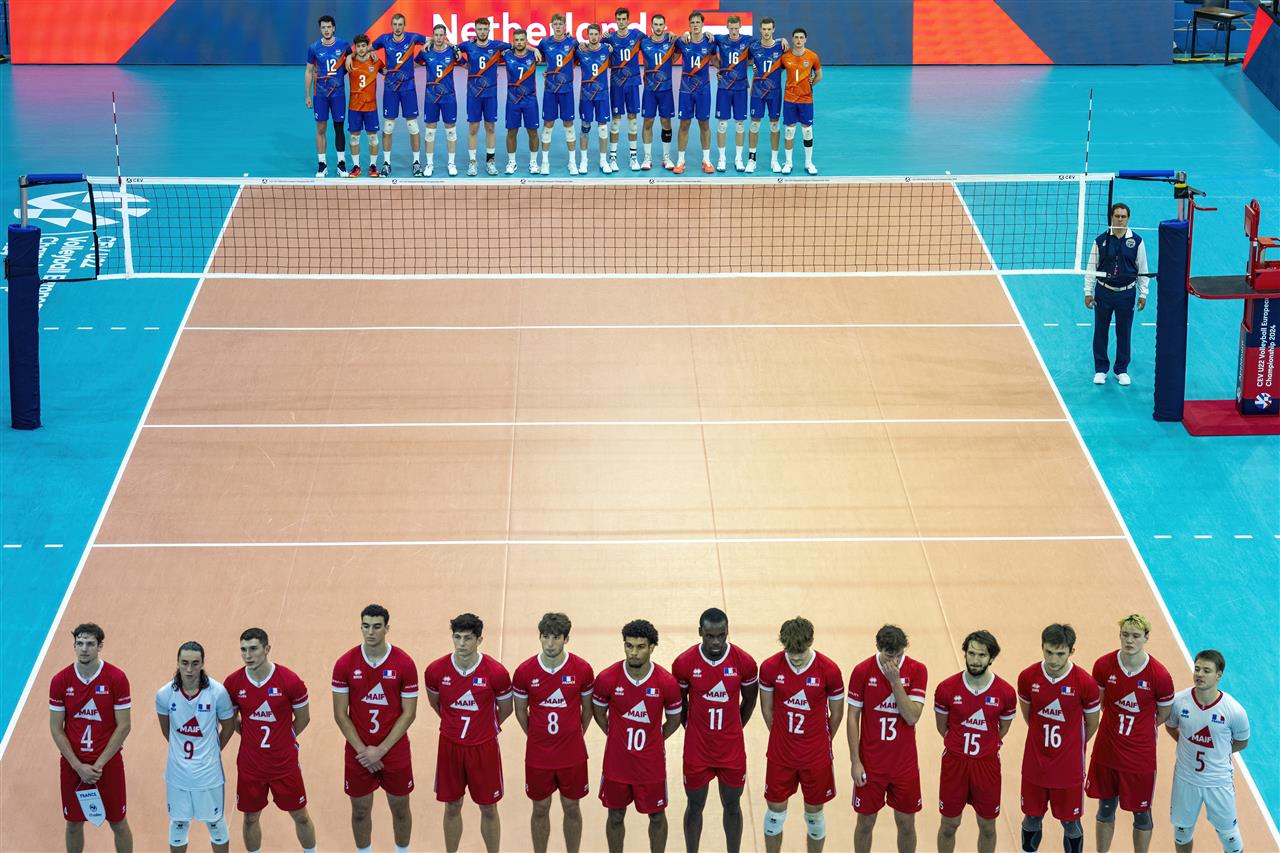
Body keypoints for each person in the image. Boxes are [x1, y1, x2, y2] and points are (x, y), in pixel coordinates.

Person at [423, 612, 513, 853]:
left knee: (489, 808)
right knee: (452, 805)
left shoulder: (496, 673)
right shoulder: (435, 671)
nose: (461, 644)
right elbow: (436, 704)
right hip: (450, 746)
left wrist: (484, 727)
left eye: (468, 638)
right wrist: (454, 724)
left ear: (479, 640)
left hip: (483, 748)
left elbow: (506, 708)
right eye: (457, 637)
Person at [331, 604, 418, 853]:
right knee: (360, 811)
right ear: (361, 627)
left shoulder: (404, 663)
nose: (370, 632)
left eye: (377, 627)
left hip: (394, 749)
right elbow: (340, 714)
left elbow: (409, 713)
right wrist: (364, 751)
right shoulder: (345, 663)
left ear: (387, 628)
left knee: (400, 809)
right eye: (366, 626)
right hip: (358, 751)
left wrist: (381, 750)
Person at [1085, 613, 1175, 853]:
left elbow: (1163, 714)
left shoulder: (1159, 675)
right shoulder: (1104, 665)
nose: (1129, 640)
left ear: (1146, 637)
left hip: (1139, 758)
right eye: (1125, 635)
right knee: (1105, 809)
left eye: (1135, 636)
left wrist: (1139, 730)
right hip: (1107, 751)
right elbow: (1099, 703)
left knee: (1142, 813)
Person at [671, 608, 758, 853]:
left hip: (731, 750)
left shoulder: (744, 662)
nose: (716, 642)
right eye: (710, 636)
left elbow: (749, 701)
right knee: (694, 806)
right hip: (697, 751)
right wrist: (692, 728)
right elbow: (680, 703)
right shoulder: (684, 663)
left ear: (727, 631)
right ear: (700, 632)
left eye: (721, 635)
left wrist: (734, 727)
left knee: (732, 806)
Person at [592, 619, 683, 853]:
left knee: (657, 816)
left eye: (640, 647)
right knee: (615, 815)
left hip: (650, 766)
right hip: (617, 764)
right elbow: (598, 713)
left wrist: (654, 739)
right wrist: (615, 735)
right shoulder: (607, 678)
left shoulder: (666, 682)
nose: (633, 652)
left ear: (652, 647)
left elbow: (674, 720)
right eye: (629, 645)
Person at [223, 628, 316, 853]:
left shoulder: (289, 681)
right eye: (243, 650)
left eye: (253, 649)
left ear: (267, 649)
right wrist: (250, 736)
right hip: (251, 766)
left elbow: (303, 718)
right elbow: (231, 720)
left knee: (301, 816)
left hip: (284, 765)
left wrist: (283, 738)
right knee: (250, 818)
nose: (247, 655)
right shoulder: (233, 683)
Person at [758, 616, 844, 853]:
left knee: (814, 817)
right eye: (790, 650)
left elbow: (837, 713)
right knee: (774, 816)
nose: (795, 656)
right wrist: (781, 736)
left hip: (815, 757)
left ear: (811, 642)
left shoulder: (829, 670)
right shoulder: (770, 667)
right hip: (781, 754)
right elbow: (766, 708)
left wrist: (820, 739)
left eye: (801, 651)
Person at [512, 612, 596, 853]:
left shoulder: (582, 669)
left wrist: (574, 734)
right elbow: (520, 711)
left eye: (556, 637)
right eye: (545, 636)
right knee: (540, 809)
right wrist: (536, 737)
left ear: (566, 639)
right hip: (538, 756)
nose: (550, 643)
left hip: (572, 755)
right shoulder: (525, 672)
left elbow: (588, 710)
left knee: (572, 807)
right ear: (539, 637)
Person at [49, 622, 134, 853]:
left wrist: (98, 765)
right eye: (80, 643)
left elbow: (124, 726)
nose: (84, 649)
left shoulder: (116, 678)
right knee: (74, 824)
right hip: (73, 766)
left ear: (100, 646)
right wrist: (78, 766)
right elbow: (56, 728)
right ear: (74, 646)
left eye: (90, 644)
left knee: (118, 822)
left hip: (107, 764)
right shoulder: (60, 680)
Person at [1016, 624, 1101, 853]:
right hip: (1035, 765)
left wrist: (1071, 745)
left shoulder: (1085, 683)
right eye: (1049, 652)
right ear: (1042, 647)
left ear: (1072, 651)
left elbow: (1092, 723)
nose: (1054, 660)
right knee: (1031, 818)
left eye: (1061, 653)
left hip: (1068, 769)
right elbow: (1030, 716)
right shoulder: (1027, 677)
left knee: (1070, 822)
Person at [933, 629, 1017, 853]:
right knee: (949, 825)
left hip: (986, 765)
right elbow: (942, 727)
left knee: (988, 827)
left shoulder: (1006, 693)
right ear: (965, 653)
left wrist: (985, 744)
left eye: (982, 655)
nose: (975, 660)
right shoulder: (946, 688)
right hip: (954, 764)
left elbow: (1002, 729)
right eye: (971, 653)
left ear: (991, 658)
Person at [846, 625, 927, 853]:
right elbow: (852, 717)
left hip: (904, 765)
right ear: (878, 648)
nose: (894, 661)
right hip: (871, 764)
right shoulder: (862, 671)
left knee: (906, 825)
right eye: (889, 655)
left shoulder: (917, 670)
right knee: (865, 823)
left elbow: (912, 717)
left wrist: (895, 681)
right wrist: (855, 761)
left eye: (899, 655)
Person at [1164, 650, 1249, 853]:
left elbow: (1242, 742)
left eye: (1206, 670)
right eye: (1197, 669)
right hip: (1186, 778)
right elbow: (1171, 726)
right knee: (1182, 832)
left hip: (1218, 781)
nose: (1199, 674)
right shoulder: (1180, 701)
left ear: (1219, 675)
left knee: (1230, 837)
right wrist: (1188, 745)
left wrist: (1216, 753)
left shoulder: (1234, 710)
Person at [155, 641, 236, 853]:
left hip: (208, 774)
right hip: (177, 774)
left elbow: (228, 727)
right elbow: (167, 731)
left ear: (202, 663)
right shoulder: (165, 694)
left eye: (195, 663)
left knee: (216, 824)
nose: (189, 669)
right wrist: (181, 753)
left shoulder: (217, 692)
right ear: (178, 663)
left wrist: (211, 751)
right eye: (184, 663)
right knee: (178, 824)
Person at [1085, 202, 1150, 386]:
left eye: (1123, 216)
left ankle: (1121, 370)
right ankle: (1101, 369)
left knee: (1124, 332)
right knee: (1100, 331)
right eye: (1117, 216)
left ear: (1128, 219)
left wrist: (1143, 294)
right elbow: (1091, 268)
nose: (1120, 219)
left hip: (1126, 294)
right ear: (1111, 217)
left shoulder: (1137, 241)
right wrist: (1088, 292)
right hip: (1103, 292)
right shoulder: (1100, 241)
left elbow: (1143, 269)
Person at [372, 14, 427, 177]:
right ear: (391, 25)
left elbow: (434, 39)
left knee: (412, 125)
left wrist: (452, 46)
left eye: (400, 24)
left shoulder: (412, 38)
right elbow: (366, 49)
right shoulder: (384, 39)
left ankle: (416, 163)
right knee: (388, 126)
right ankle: (386, 163)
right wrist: (373, 58)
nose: (397, 27)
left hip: (408, 88)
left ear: (404, 25)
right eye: (395, 24)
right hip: (391, 88)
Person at [457, 17, 511, 176]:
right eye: (479, 29)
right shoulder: (468, 45)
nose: (482, 32)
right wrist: (464, 63)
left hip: (490, 94)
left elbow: (516, 45)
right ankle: (472, 162)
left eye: (484, 29)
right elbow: (452, 50)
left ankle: (490, 162)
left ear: (489, 30)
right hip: (473, 94)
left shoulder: (496, 45)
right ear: (475, 30)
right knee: (473, 127)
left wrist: (534, 49)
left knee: (490, 127)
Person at [304, 15, 351, 177]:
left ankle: (341, 164)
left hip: (338, 94)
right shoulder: (314, 48)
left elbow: (352, 58)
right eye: (323, 27)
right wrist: (307, 95)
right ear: (320, 29)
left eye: (329, 27)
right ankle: (322, 164)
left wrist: (350, 57)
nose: (326, 30)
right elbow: (309, 71)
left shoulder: (343, 45)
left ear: (334, 28)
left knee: (339, 127)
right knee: (321, 128)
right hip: (320, 95)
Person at [415, 24, 462, 177]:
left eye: (441, 35)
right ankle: (429, 164)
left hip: (449, 97)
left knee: (451, 130)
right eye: (436, 35)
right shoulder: (426, 51)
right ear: (433, 35)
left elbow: (467, 65)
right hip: (431, 98)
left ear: (445, 36)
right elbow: (413, 65)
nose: (439, 38)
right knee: (430, 131)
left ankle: (451, 163)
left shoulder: (452, 52)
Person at [673, 13, 717, 174]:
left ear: (703, 24)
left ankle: (706, 160)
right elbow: (672, 58)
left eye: (698, 22)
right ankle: (680, 160)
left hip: (703, 90)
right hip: (686, 90)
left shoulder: (710, 42)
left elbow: (716, 61)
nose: (695, 25)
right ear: (689, 24)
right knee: (684, 124)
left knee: (704, 124)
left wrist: (726, 71)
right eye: (692, 22)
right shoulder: (682, 42)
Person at [604, 7, 645, 171]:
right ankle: (612, 158)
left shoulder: (637, 35)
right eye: (618, 19)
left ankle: (633, 157)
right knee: (616, 120)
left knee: (633, 119)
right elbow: (591, 46)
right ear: (616, 20)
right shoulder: (609, 38)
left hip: (632, 82)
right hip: (617, 83)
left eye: (623, 19)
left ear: (628, 20)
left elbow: (657, 40)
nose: (621, 22)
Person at [539, 13, 579, 175]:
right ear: (551, 25)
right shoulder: (544, 43)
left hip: (566, 90)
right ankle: (545, 163)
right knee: (548, 125)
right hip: (550, 90)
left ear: (564, 26)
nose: (558, 27)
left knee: (569, 125)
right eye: (555, 24)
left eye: (560, 24)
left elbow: (581, 57)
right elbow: (534, 55)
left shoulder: (572, 42)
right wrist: (546, 71)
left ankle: (572, 163)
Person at [746, 18, 787, 174]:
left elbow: (786, 64)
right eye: (764, 29)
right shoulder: (754, 47)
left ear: (773, 29)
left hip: (774, 92)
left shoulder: (781, 46)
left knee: (774, 125)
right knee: (754, 125)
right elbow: (742, 61)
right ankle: (751, 160)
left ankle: (774, 161)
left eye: (769, 29)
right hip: (758, 92)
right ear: (760, 29)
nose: (766, 32)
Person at [638, 14, 679, 171]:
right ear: (651, 26)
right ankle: (647, 158)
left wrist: (685, 33)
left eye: (661, 24)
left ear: (664, 26)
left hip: (666, 90)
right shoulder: (644, 42)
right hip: (649, 90)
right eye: (655, 24)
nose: (658, 27)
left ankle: (666, 158)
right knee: (647, 122)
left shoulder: (671, 41)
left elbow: (686, 41)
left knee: (666, 122)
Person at [711, 15, 751, 172]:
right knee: (722, 124)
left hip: (740, 89)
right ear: (727, 27)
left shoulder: (748, 40)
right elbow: (705, 40)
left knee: (740, 124)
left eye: (736, 28)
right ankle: (722, 158)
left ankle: (738, 159)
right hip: (724, 88)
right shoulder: (720, 39)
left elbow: (765, 44)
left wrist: (782, 39)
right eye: (731, 28)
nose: (734, 31)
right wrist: (720, 69)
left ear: (740, 26)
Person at [779, 28, 821, 175]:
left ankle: (808, 163)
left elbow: (819, 75)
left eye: (801, 37)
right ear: (792, 39)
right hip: (789, 99)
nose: (798, 40)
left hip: (806, 99)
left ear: (805, 39)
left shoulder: (812, 56)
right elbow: (776, 71)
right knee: (789, 131)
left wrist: (810, 85)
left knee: (807, 131)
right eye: (796, 37)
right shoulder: (785, 57)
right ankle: (788, 163)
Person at [501, 30, 543, 174]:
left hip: (530, 100)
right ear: (513, 42)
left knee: (533, 132)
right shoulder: (507, 55)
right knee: (512, 132)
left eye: (522, 39)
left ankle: (533, 163)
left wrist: (535, 49)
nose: (519, 42)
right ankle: (512, 162)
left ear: (526, 41)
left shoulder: (533, 55)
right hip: (512, 101)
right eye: (517, 40)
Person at [576, 24, 614, 174]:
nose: (593, 37)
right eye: (590, 34)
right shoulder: (580, 51)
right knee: (585, 127)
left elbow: (613, 40)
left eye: (595, 34)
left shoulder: (606, 49)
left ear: (599, 35)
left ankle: (603, 161)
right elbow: (567, 63)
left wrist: (608, 41)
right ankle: (584, 161)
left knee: (603, 128)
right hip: (586, 96)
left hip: (602, 95)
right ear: (587, 35)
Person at [344, 35, 383, 178]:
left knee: (373, 138)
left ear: (368, 47)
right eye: (358, 46)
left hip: (371, 108)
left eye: (363, 46)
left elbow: (387, 72)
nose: (361, 49)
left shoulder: (375, 61)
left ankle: (373, 166)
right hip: (354, 108)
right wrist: (349, 56)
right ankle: (356, 166)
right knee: (354, 138)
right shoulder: (350, 62)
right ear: (355, 47)